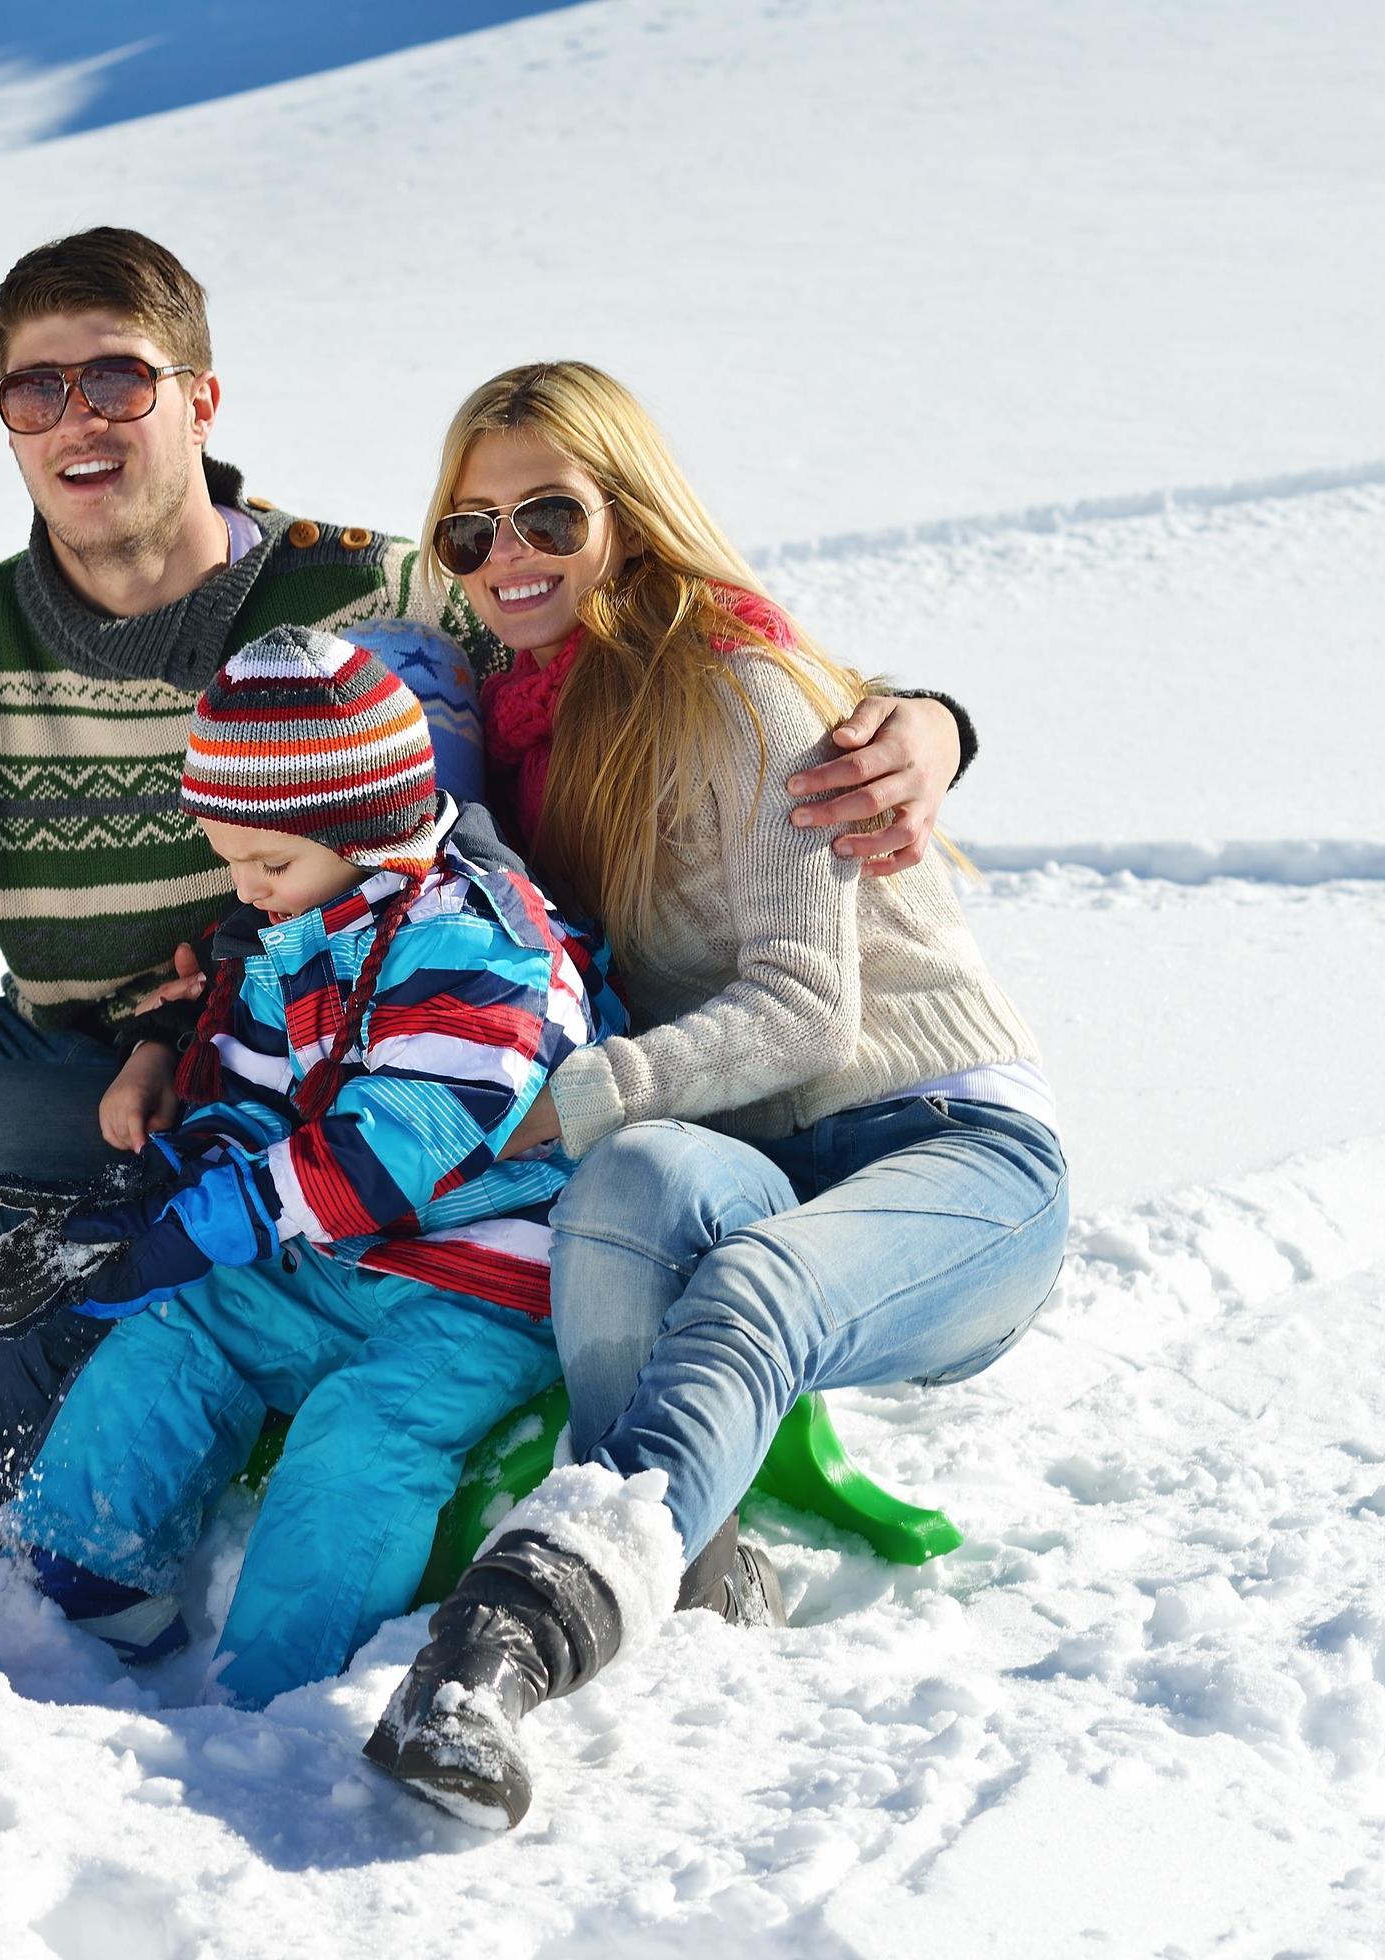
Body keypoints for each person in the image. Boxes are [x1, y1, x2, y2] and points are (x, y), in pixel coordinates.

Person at [0, 228, 976, 1558]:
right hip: (94, 1078)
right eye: (37, 390)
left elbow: (617, 639)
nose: (77, 419)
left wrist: (912, 717)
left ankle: (153, 1339)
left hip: (316, 1088)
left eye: (118, 378)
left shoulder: (370, 600)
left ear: (200, 399)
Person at [366, 362, 1069, 1831]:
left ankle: (519, 1635)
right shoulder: (512, 721)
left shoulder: (734, 686)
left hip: (946, 1146)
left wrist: (577, 1094)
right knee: (631, 1191)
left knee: (749, 1283)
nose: (509, 559)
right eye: (469, 533)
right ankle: (694, 1552)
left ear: (629, 515)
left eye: (549, 514)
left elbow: (812, 1011)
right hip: (748, 1149)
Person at [0, 626, 620, 1706]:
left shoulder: (479, 944)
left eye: (267, 863)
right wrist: (154, 1195)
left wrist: (203, 1226)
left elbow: (385, 1153)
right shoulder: (306, 922)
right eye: (231, 863)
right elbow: (257, 1101)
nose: (248, 890)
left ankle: (279, 1688)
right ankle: (60, 1588)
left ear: (368, 827)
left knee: (362, 1431)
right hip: (330, 1254)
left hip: (473, 1277)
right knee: (176, 1330)